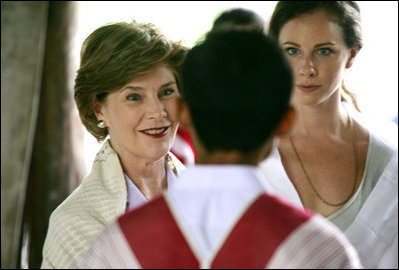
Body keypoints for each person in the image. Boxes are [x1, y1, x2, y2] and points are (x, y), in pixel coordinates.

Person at [76, 30, 362, 268]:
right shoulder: (320, 249)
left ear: (184, 114)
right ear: (283, 122)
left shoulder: (115, 247)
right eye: (135, 97)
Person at [257, 2, 398, 268]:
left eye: (324, 51)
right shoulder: (243, 156)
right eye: (292, 51)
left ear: (352, 54)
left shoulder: (390, 160)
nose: (306, 68)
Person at [40, 21, 187, 268]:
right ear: (98, 109)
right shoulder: (74, 225)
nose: (157, 111)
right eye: (134, 97)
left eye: (166, 92)